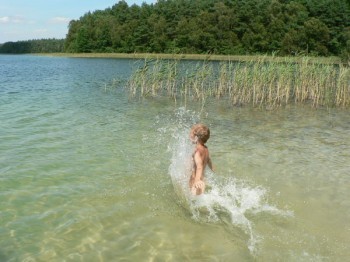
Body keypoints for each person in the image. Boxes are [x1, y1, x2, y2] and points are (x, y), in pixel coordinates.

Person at [189, 124, 214, 195]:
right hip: (202, 179)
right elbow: (208, 159)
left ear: (197, 137)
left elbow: (199, 166)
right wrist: (212, 167)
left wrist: (197, 180)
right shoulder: (206, 148)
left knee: (192, 200)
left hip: (196, 181)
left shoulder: (197, 151)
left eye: (193, 133)